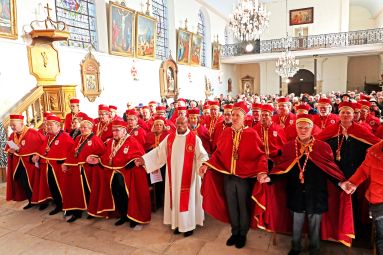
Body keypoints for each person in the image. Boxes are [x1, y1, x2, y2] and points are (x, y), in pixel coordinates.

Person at [256, 114, 354, 255]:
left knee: (315, 226)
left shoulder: (322, 147)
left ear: (312, 128)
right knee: (296, 224)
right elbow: (282, 169)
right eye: (300, 127)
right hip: (295, 193)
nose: (303, 130)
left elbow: (330, 170)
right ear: (296, 128)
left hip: (316, 195)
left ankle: (314, 249)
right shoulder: (289, 147)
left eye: (306, 127)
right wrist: (270, 179)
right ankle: (295, 247)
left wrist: (341, 183)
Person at [199, 101, 267, 249]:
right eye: (232, 114)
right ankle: (234, 231)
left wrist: (262, 171)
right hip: (228, 175)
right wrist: (207, 164)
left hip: (244, 177)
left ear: (244, 117)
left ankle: (243, 233)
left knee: (243, 205)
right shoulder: (226, 132)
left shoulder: (251, 134)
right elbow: (218, 153)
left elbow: (261, 155)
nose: (234, 117)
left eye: (238, 115)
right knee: (231, 205)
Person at [135, 116, 209, 237]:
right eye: (178, 123)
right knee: (175, 199)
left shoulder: (194, 139)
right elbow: (159, 152)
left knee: (187, 201)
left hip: (189, 176)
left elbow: (202, 155)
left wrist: (203, 165)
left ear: (187, 124)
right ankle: (178, 224)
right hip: (173, 176)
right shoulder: (170, 137)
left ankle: (188, 226)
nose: (180, 126)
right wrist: (144, 160)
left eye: (182, 123)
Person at [87, 120, 151, 226]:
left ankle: (133, 217)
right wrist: (97, 159)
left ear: (124, 130)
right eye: (113, 131)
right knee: (116, 193)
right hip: (113, 172)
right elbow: (106, 156)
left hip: (128, 174)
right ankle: (123, 215)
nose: (114, 133)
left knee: (126, 194)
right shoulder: (111, 142)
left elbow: (139, 155)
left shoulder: (132, 141)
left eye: (117, 130)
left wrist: (132, 162)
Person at [340, 140, 383, 255]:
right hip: (378, 202)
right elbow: (364, 169)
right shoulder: (374, 151)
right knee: (381, 237)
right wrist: (353, 182)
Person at [61, 116, 106, 222]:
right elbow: (72, 152)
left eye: (85, 127)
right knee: (77, 191)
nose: (82, 129)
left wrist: (95, 158)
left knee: (90, 190)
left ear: (91, 129)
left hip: (90, 170)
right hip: (77, 169)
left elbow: (102, 153)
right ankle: (77, 212)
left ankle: (92, 211)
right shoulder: (78, 138)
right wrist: (66, 163)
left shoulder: (95, 139)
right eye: (81, 127)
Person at [34, 115, 75, 215]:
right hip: (48, 167)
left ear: (58, 126)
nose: (48, 127)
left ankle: (68, 207)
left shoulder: (65, 137)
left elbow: (71, 152)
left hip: (60, 168)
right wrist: (38, 155)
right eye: (47, 125)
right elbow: (43, 149)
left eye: (50, 125)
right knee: (53, 187)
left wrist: (65, 163)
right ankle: (58, 205)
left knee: (63, 188)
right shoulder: (48, 137)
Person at [5, 114, 46, 209]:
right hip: (17, 163)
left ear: (21, 123)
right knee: (23, 182)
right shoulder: (12, 135)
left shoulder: (33, 133)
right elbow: (8, 148)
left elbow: (44, 145)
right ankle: (30, 200)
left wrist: (37, 155)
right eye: (11, 125)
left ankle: (42, 202)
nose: (12, 127)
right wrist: (10, 151)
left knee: (35, 182)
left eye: (14, 125)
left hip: (31, 163)